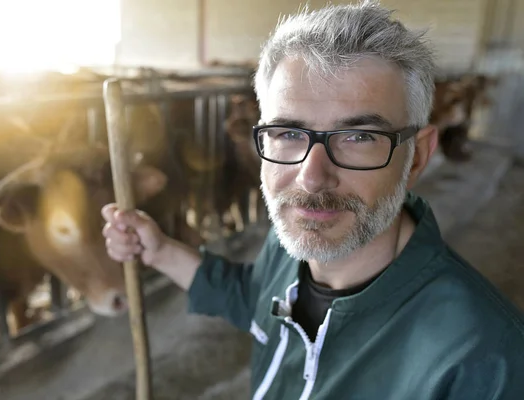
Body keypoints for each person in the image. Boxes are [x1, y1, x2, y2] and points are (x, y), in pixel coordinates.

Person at [102, 1, 524, 398]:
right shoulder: (289, 247)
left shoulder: (483, 356)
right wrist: (158, 252)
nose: (312, 177)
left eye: (359, 137)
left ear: (417, 157)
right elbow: (252, 297)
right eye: (287, 133)